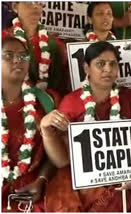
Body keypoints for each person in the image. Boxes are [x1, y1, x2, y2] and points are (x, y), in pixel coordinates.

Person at [41, 42, 131, 212]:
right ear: (86, 68)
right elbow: (62, 161)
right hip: (80, 178)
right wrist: (46, 129)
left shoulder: (130, 99)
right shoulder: (71, 102)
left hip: (121, 175)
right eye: (100, 64)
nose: (108, 69)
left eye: (113, 64)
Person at [1, 37, 57, 212]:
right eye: (8, 55)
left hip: (34, 189)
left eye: (23, 56)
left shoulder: (45, 101)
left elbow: (53, 155)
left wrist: (41, 180)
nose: (17, 60)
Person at [2, 2, 68, 95]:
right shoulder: (3, 38)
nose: (36, 6)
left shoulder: (56, 45)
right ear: (15, 7)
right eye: (30, 2)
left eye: (40, 2)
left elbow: (60, 84)